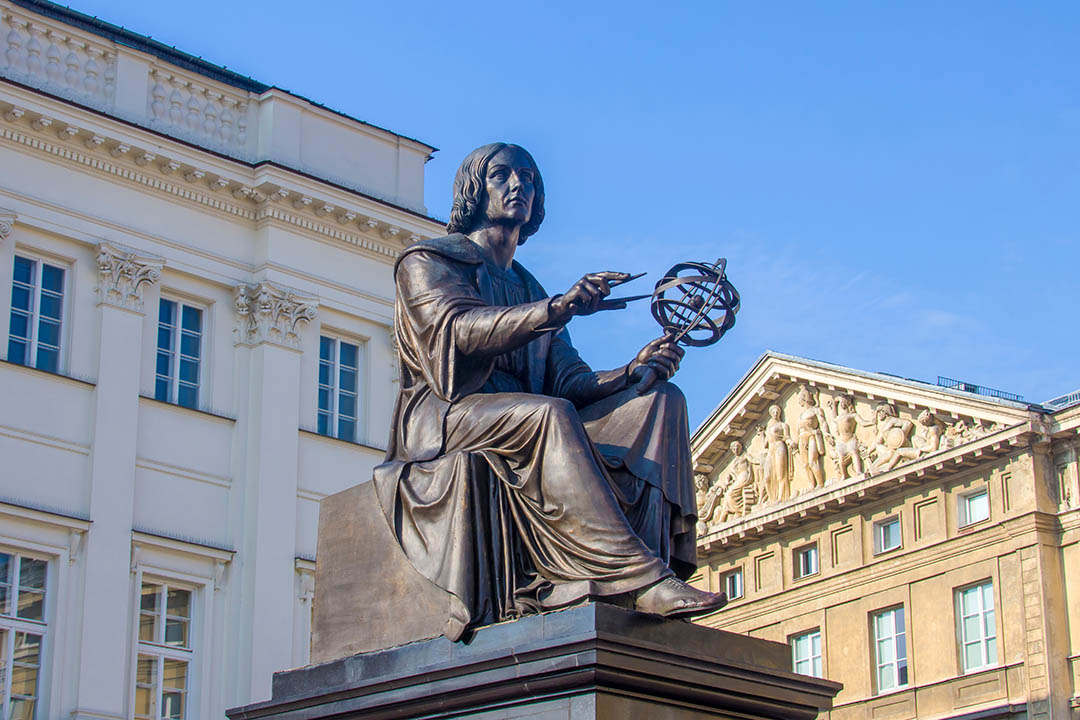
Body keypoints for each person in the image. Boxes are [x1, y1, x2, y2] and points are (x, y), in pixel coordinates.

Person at [373, 143, 726, 641]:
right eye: (502, 175)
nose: (519, 185)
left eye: (529, 178)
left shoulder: (530, 287)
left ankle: (641, 578)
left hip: (527, 412)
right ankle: (639, 578)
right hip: (447, 417)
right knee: (547, 415)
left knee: (661, 401)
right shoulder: (427, 260)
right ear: (475, 189)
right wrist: (558, 309)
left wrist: (631, 371)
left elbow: (570, 381)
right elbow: (458, 333)